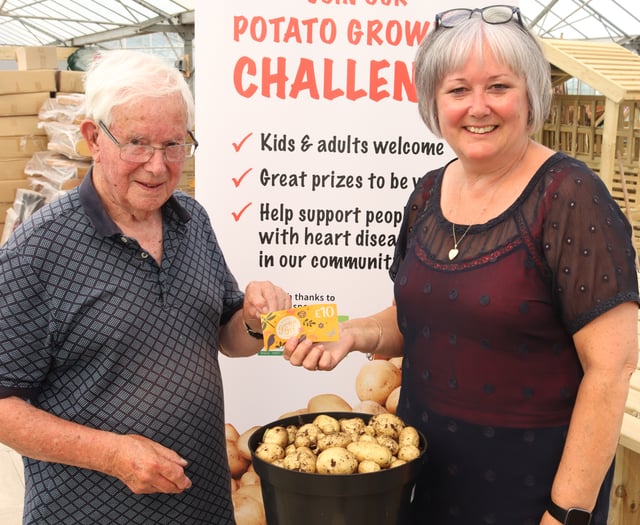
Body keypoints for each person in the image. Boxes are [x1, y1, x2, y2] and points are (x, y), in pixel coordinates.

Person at [284, 5, 639, 525]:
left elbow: (610, 372)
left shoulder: (569, 196)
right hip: (422, 479)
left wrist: (566, 515)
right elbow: (419, 322)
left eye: (499, 86)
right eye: (457, 90)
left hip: (529, 490)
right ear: (434, 102)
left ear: (531, 95)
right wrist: (353, 334)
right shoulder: (428, 192)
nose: (478, 107)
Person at [0, 50, 290, 524]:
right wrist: (112, 454)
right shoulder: (38, 249)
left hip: (202, 505)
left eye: (174, 145)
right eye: (137, 143)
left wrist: (256, 322)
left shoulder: (192, 220)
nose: (158, 167)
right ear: (93, 137)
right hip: (90, 514)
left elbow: (228, 338)